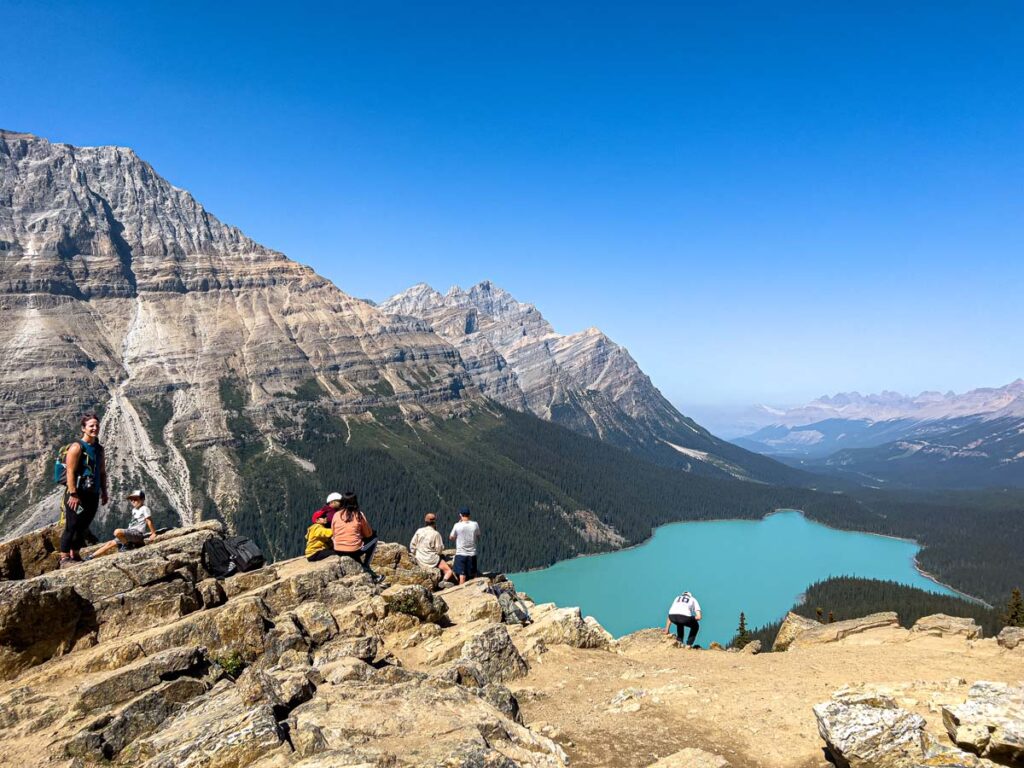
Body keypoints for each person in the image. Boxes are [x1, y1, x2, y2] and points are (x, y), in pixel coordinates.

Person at [59, 413, 108, 568]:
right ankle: (64, 557)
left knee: (84, 525)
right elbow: (70, 472)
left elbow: (102, 472)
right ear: (83, 428)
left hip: (92, 493)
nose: (95, 428)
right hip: (77, 494)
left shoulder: (99, 449)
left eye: (96, 425)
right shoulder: (77, 447)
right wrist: (73, 494)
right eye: (91, 426)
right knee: (72, 524)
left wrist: (104, 491)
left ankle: (75, 553)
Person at [330, 491, 384, 583]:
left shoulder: (336, 515)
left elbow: (333, 532)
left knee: (355, 552)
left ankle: (369, 573)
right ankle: (366, 565)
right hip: (353, 550)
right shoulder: (359, 515)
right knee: (374, 539)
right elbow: (368, 534)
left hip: (338, 549)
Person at [87, 489, 157, 559]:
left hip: (137, 534)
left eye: (135, 499)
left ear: (142, 499)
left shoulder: (144, 508)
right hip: (130, 533)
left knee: (117, 532)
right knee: (110, 543)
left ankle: (127, 545)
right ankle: (91, 556)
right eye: (131, 499)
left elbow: (149, 521)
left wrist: (153, 533)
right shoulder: (134, 510)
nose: (133, 501)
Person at [409, 513, 456, 584]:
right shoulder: (436, 534)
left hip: (419, 558)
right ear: (434, 522)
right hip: (432, 560)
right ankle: (444, 581)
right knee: (448, 571)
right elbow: (439, 550)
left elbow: (412, 545)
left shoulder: (419, 531)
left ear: (425, 521)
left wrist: (415, 553)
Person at [449, 506, 481, 585]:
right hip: (472, 554)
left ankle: (461, 592)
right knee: (473, 575)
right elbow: (478, 536)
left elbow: (451, 537)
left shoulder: (457, 525)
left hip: (461, 554)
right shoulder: (475, 524)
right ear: (469, 515)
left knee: (462, 576)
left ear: (460, 515)